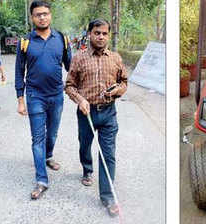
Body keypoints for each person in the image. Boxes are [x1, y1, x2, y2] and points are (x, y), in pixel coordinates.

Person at [65, 19, 127, 217]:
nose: (101, 37)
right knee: (85, 145)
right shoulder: (79, 58)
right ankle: (87, 169)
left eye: (105, 34)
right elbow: (69, 85)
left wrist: (118, 90)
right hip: (86, 113)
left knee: (107, 154)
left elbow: (124, 82)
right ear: (89, 34)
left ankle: (108, 196)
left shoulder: (116, 58)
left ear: (109, 35)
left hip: (109, 113)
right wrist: (79, 99)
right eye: (97, 33)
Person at [15, 0, 71, 200]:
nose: (42, 17)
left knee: (52, 134)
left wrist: (80, 90)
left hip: (56, 95)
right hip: (34, 96)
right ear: (32, 17)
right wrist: (20, 99)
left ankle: (48, 156)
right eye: (38, 14)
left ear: (50, 15)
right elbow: (19, 71)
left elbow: (70, 67)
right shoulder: (25, 42)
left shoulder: (61, 39)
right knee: (37, 139)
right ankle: (41, 180)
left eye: (45, 13)